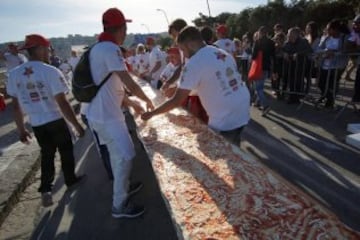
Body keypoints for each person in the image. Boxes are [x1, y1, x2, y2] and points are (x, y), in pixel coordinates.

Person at [86, 7, 154, 218]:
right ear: (120, 28)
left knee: (121, 156)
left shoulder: (99, 48)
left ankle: (123, 188)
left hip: (105, 114)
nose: (126, 33)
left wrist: (131, 104)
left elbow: (110, 86)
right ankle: (119, 205)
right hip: (107, 117)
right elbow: (128, 82)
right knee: (125, 156)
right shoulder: (110, 49)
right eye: (125, 27)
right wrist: (146, 100)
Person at [6, 34, 86, 207]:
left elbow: (16, 107)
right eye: (48, 49)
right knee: (66, 151)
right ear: (41, 49)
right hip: (55, 119)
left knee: (47, 155)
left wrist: (21, 130)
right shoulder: (50, 71)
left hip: (37, 124)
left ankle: (46, 190)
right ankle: (70, 180)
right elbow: (63, 103)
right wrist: (77, 125)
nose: (49, 52)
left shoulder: (14, 74)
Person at [142, 26, 250, 146]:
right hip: (242, 108)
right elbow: (206, 82)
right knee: (235, 144)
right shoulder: (220, 52)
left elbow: (177, 101)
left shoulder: (194, 62)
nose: (184, 55)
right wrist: (178, 88)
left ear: (190, 44)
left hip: (226, 116)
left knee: (224, 151)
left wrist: (152, 113)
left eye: (182, 49)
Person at [283, 27, 313, 104]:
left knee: (298, 81)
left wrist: (298, 54)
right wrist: (285, 53)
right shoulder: (287, 43)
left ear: (295, 35)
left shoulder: (303, 42)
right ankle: (291, 97)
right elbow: (283, 49)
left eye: (290, 35)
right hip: (290, 66)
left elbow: (309, 51)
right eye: (288, 34)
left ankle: (297, 97)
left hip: (301, 66)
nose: (288, 36)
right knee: (291, 81)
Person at [251, 26, 275, 114]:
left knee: (258, 88)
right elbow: (273, 55)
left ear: (260, 33)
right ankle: (258, 102)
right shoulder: (271, 42)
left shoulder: (258, 42)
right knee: (260, 86)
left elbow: (254, 56)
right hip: (266, 67)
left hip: (258, 67)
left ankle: (265, 105)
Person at [347, 15, 360, 102]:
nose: (355, 26)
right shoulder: (355, 34)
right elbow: (349, 46)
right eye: (354, 23)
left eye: (357, 24)